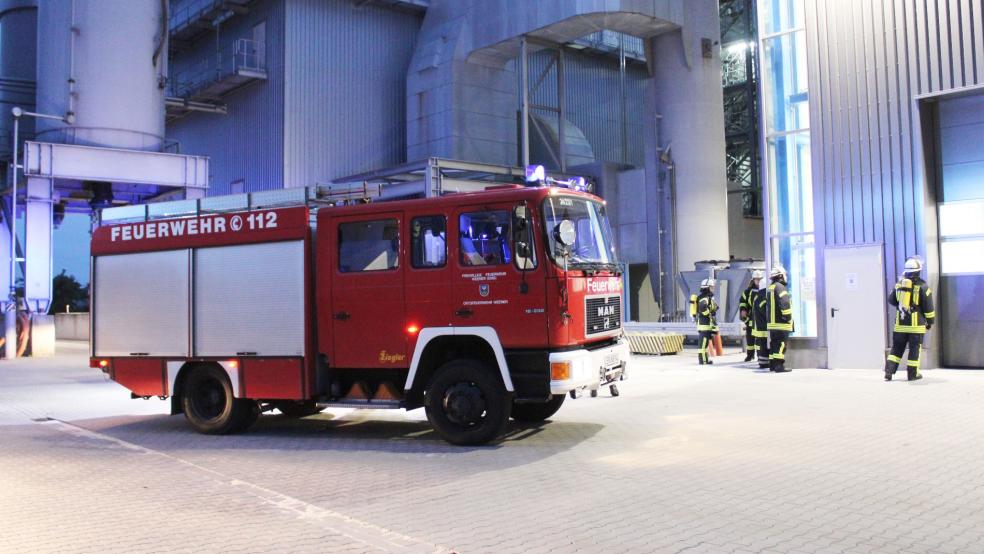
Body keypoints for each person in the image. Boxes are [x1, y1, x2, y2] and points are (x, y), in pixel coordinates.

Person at [885, 256, 935, 381]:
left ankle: (889, 372)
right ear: (918, 271)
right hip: (916, 327)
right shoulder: (923, 287)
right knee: (914, 350)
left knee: (896, 348)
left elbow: (891, 300)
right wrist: (930, 322)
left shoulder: (899, 285)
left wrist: (902, 305)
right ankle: (912, 374)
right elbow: (928, 307)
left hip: (900, 324)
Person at [765, 265, 793, 373]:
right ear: (781, 276)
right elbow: (785, 303)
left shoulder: (771, 287)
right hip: (781, 323)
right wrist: (788, 317)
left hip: (772, 323)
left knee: (774, 344)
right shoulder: (780, 287)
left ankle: (772, 365)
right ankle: (779, 366)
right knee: (781, 344)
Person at [739, 270, 764, 362]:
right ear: (753, 280)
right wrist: (743, 309)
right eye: (756, 279)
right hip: (750, 319)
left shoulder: (765, 290)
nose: (758, 281)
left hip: (761, 319)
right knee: (750, 339)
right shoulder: (747, 291)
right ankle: (750, 355)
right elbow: (743, 301)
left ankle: (760, 355)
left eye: (760, 279)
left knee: (760, 339)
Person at [695, 279, 718, 365]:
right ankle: (703, 361)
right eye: (712, 287)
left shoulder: (707, 297)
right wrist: (709, 314)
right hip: (704, 326)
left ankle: (705, 360)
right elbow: (702, 307)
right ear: (707, 288)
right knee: (703, 345)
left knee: (705, 344)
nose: (713, 289)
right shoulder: (704, 298)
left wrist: (714, 308)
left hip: (706, 326)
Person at [753, 276, 770, 369]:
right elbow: (765, 310)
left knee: (761, 344)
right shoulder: (764, 296)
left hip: (759, 326)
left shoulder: (758, 295)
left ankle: (762, 361)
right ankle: (764, 362)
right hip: (763, 327)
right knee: (763, 345)